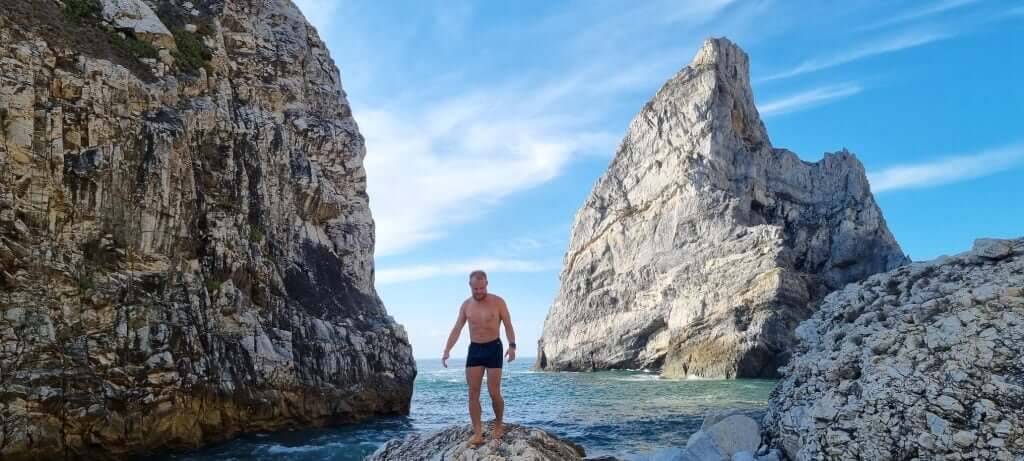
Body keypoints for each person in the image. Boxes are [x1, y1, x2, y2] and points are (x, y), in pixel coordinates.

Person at [442, 270, 517, 447]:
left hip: (494, 348)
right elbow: (457, 329)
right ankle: (478, 433)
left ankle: (499, 425)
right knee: (473, 393)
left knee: (494, 392)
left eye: (482, 288)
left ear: (487, 284)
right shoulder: (466, 305)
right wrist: (447, 349)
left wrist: (512, 346)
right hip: (475, 349)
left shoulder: (498, 302)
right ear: (470, 286)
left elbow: (508, 324)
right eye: (475, 289)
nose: (479, 292)